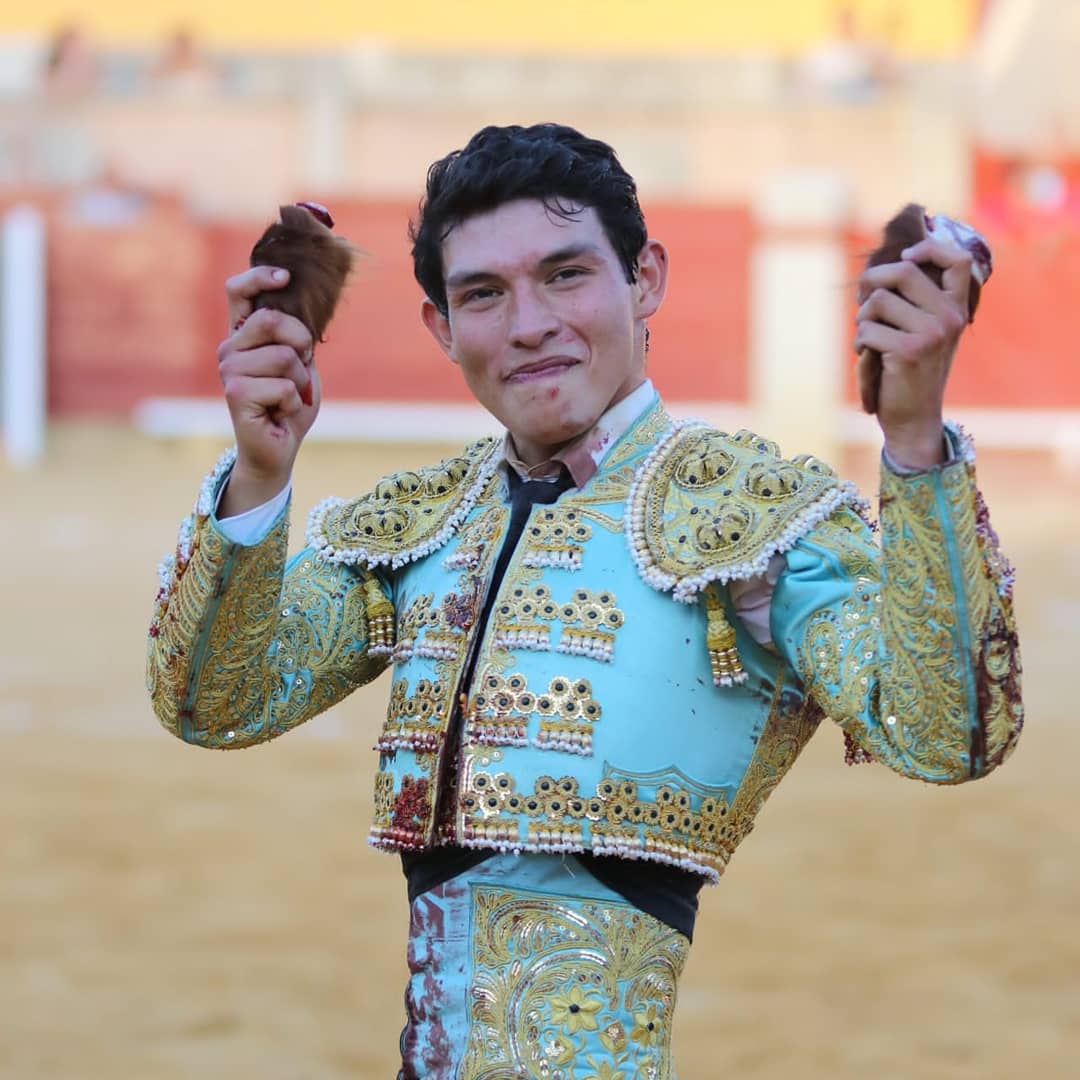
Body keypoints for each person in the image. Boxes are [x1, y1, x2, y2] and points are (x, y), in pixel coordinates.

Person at [147, 123, 1022, 1078]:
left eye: (565, 274)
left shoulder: (749, 521)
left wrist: (915, 446)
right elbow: (214, 706)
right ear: (440, 327)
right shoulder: (423, 522)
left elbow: (946, 734)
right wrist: (261, 477)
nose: (529, 325)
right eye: (483, 293)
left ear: (644, 278)